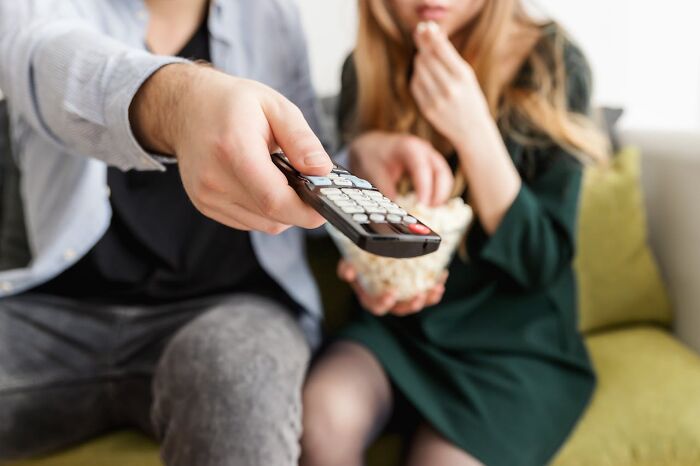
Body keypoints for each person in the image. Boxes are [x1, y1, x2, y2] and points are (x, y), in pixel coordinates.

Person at [0, 1, 334, 465]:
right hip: (59, 313)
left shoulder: (271, 14)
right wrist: (183, 103)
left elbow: (313, 158)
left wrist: (363, 159)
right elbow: (50, 60)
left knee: (237, 376)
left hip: (232, 309)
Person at [301, 1, 609, 465]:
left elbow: (541, 262)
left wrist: (474, 129)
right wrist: (373, 275)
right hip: (399, 333)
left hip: (514, 346)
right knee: (320, 416)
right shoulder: (365, 68)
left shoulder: (552, 63)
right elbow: (366, 241)